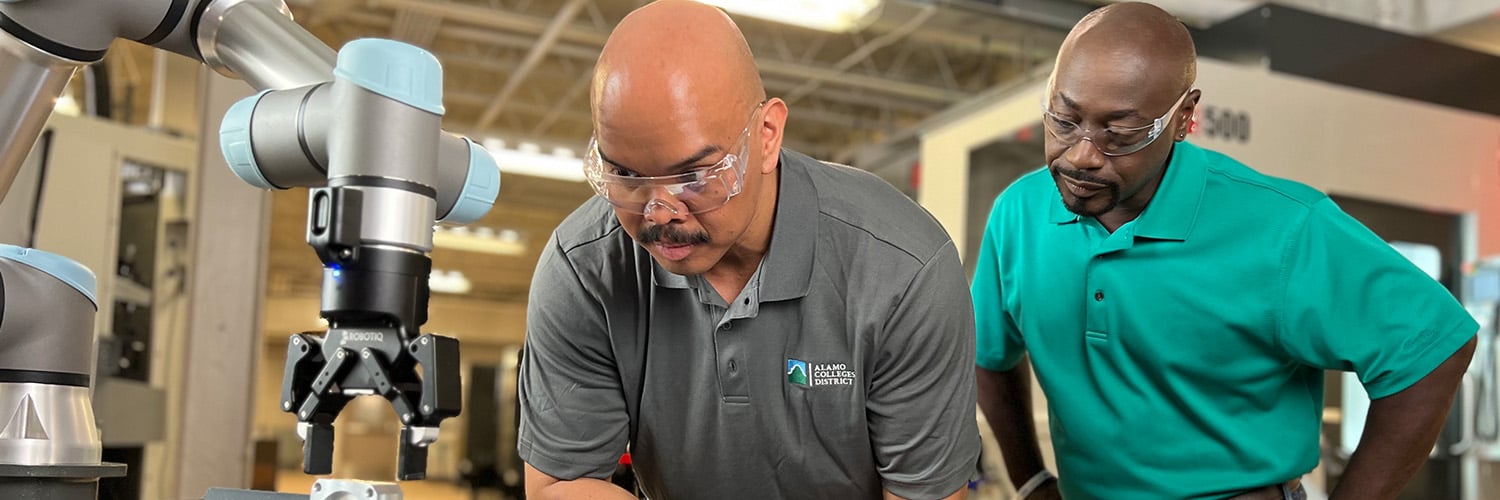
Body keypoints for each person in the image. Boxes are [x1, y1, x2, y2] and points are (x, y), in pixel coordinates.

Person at [971, 3, 1479, 499]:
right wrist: (1031, 479)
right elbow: (985, 353)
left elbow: (1434, 349)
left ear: (1184, 116)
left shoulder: (1285, 228)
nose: (1081, 154)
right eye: (1064, 119)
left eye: (1119, 133)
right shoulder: (1019, 213)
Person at [516, 1, 980, 499]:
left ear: (767, 135)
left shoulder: (902, 270)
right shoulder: (584, 269)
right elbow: (561, 483)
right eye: (626, 177)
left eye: (694, 176)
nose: (659, 213)